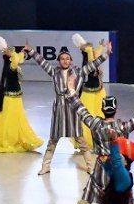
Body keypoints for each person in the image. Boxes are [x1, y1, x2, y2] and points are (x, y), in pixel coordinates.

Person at [28, 41, 102, 175]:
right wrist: (31, 51)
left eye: (67, 58)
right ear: (59, 61)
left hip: (73, 109)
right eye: (62, 59)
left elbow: (93, 65)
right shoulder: (54, 72)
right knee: (52, 141)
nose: (65, 61)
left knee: (81, 141)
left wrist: (106, 54)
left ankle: (90, 167)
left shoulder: (78, 72)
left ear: (71, 60)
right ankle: (46, 166)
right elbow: (42, 62)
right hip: (59, 110)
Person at [0, 38, 44, 153]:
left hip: (16, 98)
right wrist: (10, 51)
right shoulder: (11, 66)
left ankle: (15, 139)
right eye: (10, 52)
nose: (12, 52)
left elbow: (19, 58)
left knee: (17, 119)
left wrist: (23, 51)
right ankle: (9, 141)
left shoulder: (12, 64)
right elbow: (16, 59)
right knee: (10, 120)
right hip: (11, 99)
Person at [72, 34, 113, 147]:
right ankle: (88, 139)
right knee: (88, 115)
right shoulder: (88, 60)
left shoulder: (91, 54)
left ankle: (100, 137)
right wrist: (102, 49)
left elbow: (96, 56)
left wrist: (102, 47)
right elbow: (92, 62)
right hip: (89, 92)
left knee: (99, 113)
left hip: (99, 90)